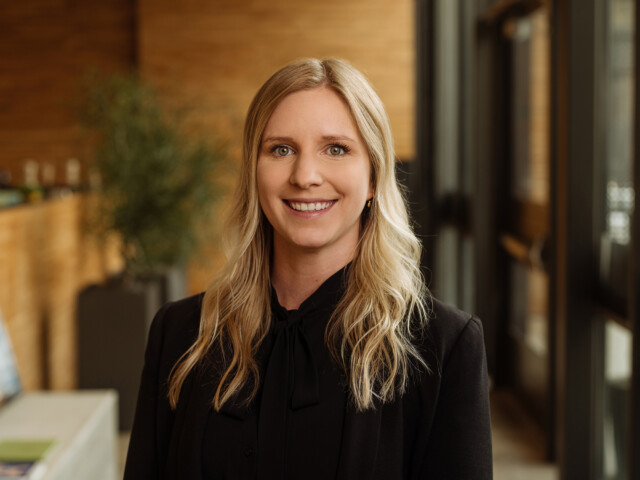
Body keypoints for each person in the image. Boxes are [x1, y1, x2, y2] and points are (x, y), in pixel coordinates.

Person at [123, 58, 492, 480]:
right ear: (254, 173)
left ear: (373, 178)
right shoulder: (181, 335)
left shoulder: (444, 347)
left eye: (336, 149)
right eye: (281, 149)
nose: (305, 175)